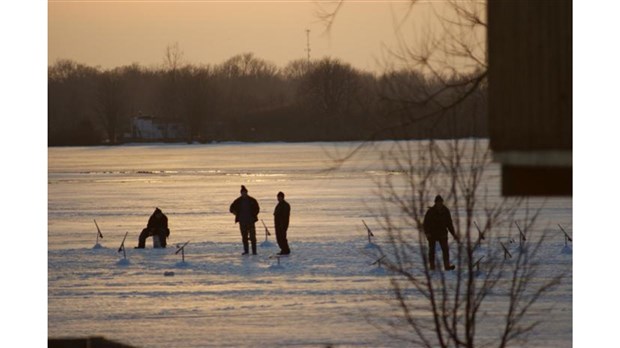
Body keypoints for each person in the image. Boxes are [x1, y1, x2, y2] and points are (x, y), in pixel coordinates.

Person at [423, 195, 458, 270]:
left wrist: (454, 234)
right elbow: (425, 223)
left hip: (443, 234)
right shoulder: (430, 211)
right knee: (431, 250)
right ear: (435, 203)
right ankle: (432, 267)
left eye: (441, 202)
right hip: (432, 234)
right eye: (438, 202)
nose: (440, 204)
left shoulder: (446, 211)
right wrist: (427, 233)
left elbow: (449, 224)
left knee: (445, 250)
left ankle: (447, 266)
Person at [229, 185, 260, 255]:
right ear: (241, 193)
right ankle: (246, 251)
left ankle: (254, 251)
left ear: (247, 192)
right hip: (242, 222)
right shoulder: (238, 201)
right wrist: (236, 214)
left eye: (245, 192)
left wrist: (253, 216)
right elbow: (231, 208)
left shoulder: (252, 200)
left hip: (251, 221)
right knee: (244, 237)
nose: (244, 194)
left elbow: (257, 209)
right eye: (242, 192)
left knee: (252, 237)